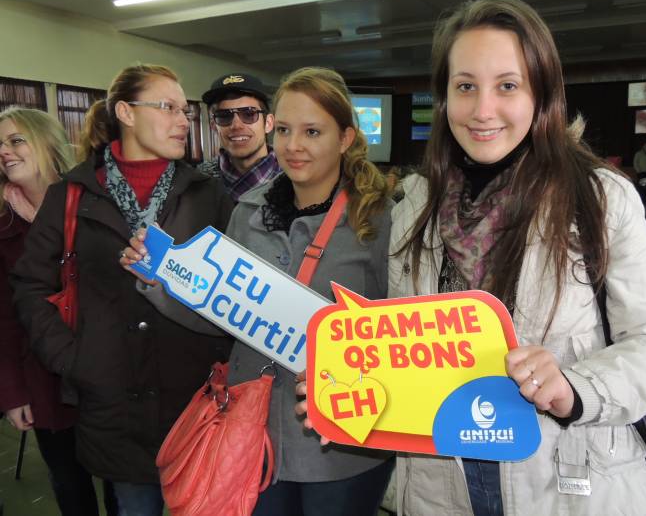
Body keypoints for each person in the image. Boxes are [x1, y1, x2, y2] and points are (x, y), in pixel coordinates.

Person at [387, 0, 646, 515]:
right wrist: (351, 391)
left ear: (542, 93)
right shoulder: (413, 207)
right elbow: (400, 347)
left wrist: (577, 387)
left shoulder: (598, 199)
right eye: (465, 86)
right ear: (444, 97)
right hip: (440, 485)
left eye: (507, 86)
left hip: (569, 481)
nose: (483, 110)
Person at [121, 66, 395, 516]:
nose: (293, 145)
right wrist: (160, 283)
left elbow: (401, 333)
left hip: (344, 443)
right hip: (254, 434)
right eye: (284, 130)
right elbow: (220, 314)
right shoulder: (247, 212)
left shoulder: (379, 220)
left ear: (345, 138)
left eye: (312, 131)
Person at [11, 64, 234, 516]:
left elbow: (230, 290)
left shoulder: (207, 195)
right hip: (111, 402)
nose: (182, 121)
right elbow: (30, 285)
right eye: (168, 107)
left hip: (193, 399)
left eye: (185, 111)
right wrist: (73, 359)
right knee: (134, 507)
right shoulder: (71, 195)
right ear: (126, 113)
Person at [0, 107, 117, 516]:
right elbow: (4, 321)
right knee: (70, 486)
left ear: (47, 143)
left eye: (16, 140)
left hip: (107, 372)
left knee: (123, 488)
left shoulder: (92, 202)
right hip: (43, 380)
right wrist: (13, 393)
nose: (4, 151)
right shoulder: (4, 225)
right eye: (0, 145)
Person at [198, 73, 282, 201]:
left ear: (268, 123)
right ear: (214, 126)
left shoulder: (294, 177)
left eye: (249, 114)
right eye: (224, 116)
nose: (236, 125)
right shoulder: (199, 181)